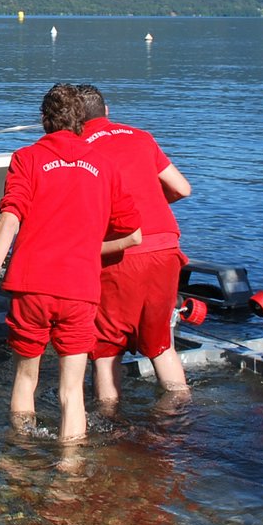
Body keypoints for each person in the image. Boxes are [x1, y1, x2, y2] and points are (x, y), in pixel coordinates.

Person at [0, 83, 142, 442]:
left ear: (43, 119)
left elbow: (9, 218)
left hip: (30, 284)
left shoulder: (27, 158)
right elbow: (133, 232)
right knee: (72, 392)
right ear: (82, 121)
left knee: (26, 379)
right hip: (79, 287)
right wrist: (89, 248)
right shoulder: (104, 164)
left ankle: (22, 459)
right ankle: (68, 474)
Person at [77, 84, 193, 405]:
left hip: (122, 252)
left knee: (105, 348)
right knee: (161, 344)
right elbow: (182, 189)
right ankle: (179, 417)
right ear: (107, 111)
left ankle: (110, 424)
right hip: (167, 248)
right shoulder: (141, 136)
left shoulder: (79, 147)